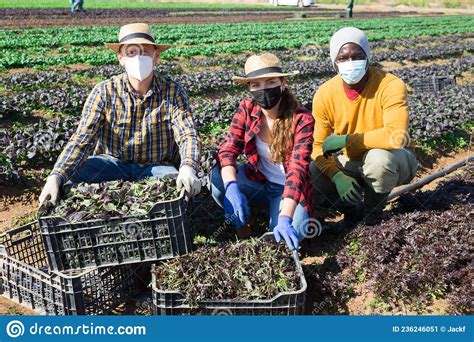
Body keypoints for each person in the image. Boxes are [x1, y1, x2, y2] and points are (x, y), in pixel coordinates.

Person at [39, 23, 201, 208]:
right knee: (70, 179)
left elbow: (187, 134)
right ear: (121, 58)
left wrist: (188, 167)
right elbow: (82, 139)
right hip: (111, 165)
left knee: (175, 186)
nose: (138, 58)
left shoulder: (172, 91)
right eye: (131, 53)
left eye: (145, 52)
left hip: (155, 167)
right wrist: (56, 176)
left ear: (156, 57)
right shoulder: (104, 92)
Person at [311, 27, 418, 228]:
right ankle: (353, 212)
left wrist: (346, 140)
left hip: (395, 156)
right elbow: (318, 147)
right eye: (343, 58)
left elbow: (397, 135)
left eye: (357, 56)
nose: (351, 63)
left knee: (378, 161)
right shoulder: (325, 93)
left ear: (368, 57)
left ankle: (372, 214)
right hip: (351, 159)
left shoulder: (390, 85)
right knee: (313, 169)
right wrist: (337, 176)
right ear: (334, 62)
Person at [209, 53, 314, 250]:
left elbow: (297, 171)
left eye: (270, 81)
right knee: (217, 178)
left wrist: (285, 218)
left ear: (283, 82)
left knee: (292, 233)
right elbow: (228, 149)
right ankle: (244, 221)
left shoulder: (302, 119)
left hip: (288, 191)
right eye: (256, 84)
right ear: (249, 87)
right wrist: (231, 186)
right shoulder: (247, 109)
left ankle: (278, 215)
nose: (263, 89)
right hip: (258, 181)